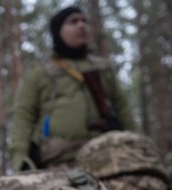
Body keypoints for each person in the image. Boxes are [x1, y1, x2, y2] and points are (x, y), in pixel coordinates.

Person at [9, 6, 136, 172]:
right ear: (58, 31)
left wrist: (136, 143)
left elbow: (122, 108)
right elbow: (23, 116)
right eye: (73, 22)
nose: (81, 25)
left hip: (109, 158)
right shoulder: (39, 73)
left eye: (84, 21)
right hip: (59, 163)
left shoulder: (103, 68)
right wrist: (20, 157)